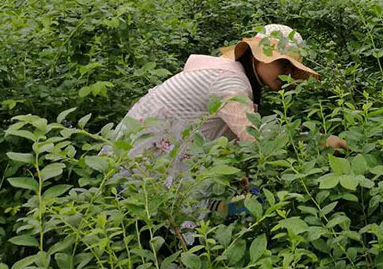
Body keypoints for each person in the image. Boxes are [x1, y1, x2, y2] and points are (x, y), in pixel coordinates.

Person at [106, 24, 345, 237]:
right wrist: (317, 140)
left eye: (292, 68)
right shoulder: (229, 82)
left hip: (138, 164)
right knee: (145, 236)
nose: (287, 74)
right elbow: (256, 138)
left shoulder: (229, 74)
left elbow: (228, 131)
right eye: (282, 63)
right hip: (137, 173)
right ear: (258, 55)